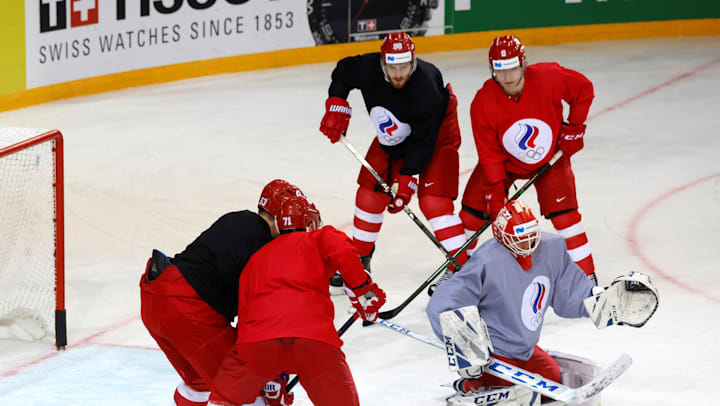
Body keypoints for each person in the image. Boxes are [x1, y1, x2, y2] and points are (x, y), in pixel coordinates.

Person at [426, 200, 658, 405]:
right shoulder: (487, 260)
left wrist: (604, 302)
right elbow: (444, 302)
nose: (528, 246)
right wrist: (465, 347)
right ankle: (468, 387)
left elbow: (570, 293)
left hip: (525, 349)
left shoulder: (552, 248)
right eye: (520, 239)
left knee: (552, 376)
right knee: (511, 391)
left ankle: (482, 384)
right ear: (502, 237)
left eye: (530, 236)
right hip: (495, 353)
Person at [207, 194, 387, 406]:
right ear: (310, 222)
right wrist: (364, 292)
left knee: (222, 401)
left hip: (257, 346)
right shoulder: (318, 238)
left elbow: (247, 316)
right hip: (313, 341)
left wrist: (273, 382)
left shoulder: (255, 258)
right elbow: (342, 250)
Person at [140, 179, 308, 406]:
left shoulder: (239, 219)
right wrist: (271, 377)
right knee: (246, 389)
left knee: (199, 384)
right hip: (189, 309)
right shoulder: (261, 244)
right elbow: (254, 318)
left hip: (156, 299)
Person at [319, 31, 467, 290]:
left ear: (413, 62)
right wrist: (336, 103)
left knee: (434, 202)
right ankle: (359, 262)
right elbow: (343, 71)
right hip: (396, 132)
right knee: (368, 195)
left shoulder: (426, 87)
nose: (398, 74)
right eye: (392, 67)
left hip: (437, 136)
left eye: (404, 67)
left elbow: (423, 142)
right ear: (382, 63)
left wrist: (407, 177)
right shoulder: (367, 68)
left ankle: (463, 268)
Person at [459, 34, 598, 286]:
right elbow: (488, 151)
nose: (508, 77)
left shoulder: (549, 77)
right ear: (492, 70)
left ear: (522, 63)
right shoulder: (483, 102)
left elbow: (583, 89)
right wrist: (495, 185)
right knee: (472, 213)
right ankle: (456, 272)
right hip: (504, 163)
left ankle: (585, 276)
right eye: (500, 71)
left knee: (566, 216)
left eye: (512, 68)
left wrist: (575, 127)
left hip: (551, 159)